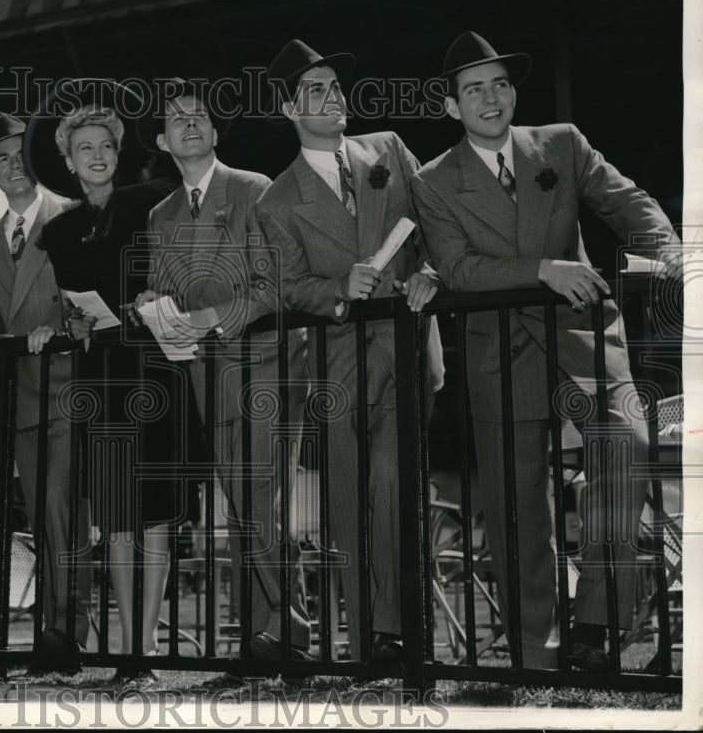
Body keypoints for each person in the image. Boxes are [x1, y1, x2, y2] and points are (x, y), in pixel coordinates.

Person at [410, 31, 681, 671]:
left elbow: (626, 201)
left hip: (584, 333)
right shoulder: (432, 181)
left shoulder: (562, 142)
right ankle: (536, 646)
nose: (491, 97)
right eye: (474, 89)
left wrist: (665, 244)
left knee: (626, 446)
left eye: (500, 83)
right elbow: (458, 267)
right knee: (516, 500)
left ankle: (595, 621)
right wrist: (544, 269)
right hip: (499, 349)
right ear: (452, 107)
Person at [256, 40, 445, 664]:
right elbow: (286, 285)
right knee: (346, 502)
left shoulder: (387, 149)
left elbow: (437, 224)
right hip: (337, 363)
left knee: (394, 481)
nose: (333, 97)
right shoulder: (276, 200)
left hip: (408, 351)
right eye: (315, 89)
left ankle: (398, 632)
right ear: (288, 108)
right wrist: (339, 287)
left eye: (335, 86)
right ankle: (368, 642)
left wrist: (433, 274)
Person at [135, 78, 311, 664]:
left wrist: (215, 314)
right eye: (178, 117)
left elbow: (277, 284)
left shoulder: (253, 189)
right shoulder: (160, 214)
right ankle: (264, 634)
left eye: (201, 115)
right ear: (162, 140)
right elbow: (163, 287)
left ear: (213, 131)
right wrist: (149, 306)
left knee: (262, 495)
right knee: (238, 503)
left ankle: (289, 629)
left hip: (261, 363)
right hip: (204, 373)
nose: (191, 123)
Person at [35, 83, 188, 686]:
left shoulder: (152, 201)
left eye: (105, 145)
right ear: (68, 161)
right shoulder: (61, 232)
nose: (96, 155)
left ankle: (144, 651)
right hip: (101, 379)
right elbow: (73, 305)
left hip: (154, 370)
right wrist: (74, 319)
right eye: (83, 148)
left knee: (154, 517)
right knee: (118, 518)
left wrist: (159, 294)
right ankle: (126, 650)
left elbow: (175, 269)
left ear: (119, 152)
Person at [0, 113, 92, 662]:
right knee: (41, 514)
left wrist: (60, 329)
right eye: (2, 159)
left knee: (64, 509)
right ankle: (52, 628)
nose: (14, 166)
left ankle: (65, 631)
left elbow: (91, 301)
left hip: (70, 387)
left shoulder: (74, 216)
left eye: (21, 154)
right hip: (19, 397)